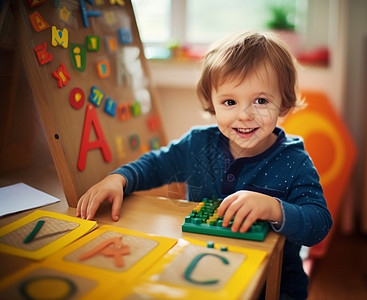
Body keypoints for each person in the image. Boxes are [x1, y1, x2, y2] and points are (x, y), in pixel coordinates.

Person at [77, 31, 332, 299]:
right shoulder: (198, 144)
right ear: (212, 103)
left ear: (284, 104)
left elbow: (319, 223)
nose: (244, 114)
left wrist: (275, 209)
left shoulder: (294, 161)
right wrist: (120, 179)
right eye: (230, 102)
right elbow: (156, 165)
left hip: (273, 286)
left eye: (261, 101)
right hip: (199, 273)